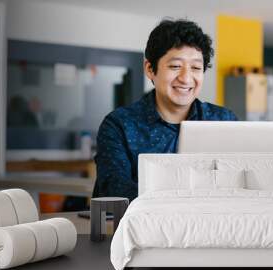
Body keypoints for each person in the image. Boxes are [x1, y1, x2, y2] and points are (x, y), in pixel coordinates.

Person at [92, 19, 237, 201]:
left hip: (209, 224)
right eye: (175, 66)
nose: (186, 78)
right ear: (150, 69)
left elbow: (237, 184)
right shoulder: (119, 125)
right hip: (141, 226)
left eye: (196, 68)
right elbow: (115, 191)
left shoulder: (223, 121)